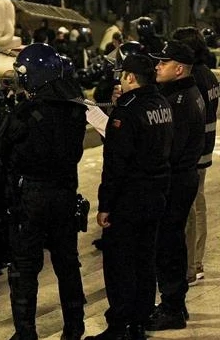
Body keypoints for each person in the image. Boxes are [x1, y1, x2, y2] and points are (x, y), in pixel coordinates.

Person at [0, 43, 87, 340]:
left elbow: (0, 147)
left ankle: (26, 332)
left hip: (32, 196)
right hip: (64, 192)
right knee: (67, 263)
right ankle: (74, 327)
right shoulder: (76, 108)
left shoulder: (26, 113)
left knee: (24, 268)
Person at [87, 53, 172, 340]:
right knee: (145, 260)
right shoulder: (161, 103)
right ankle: (139, 320)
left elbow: (115, 166)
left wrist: (106, 205)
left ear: (131, 77)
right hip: (157, 192)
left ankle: (120, 325)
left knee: (121, 263)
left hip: (130, 200)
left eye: (123, 74)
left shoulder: (127, 111)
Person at [146, 42, 204, 331]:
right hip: (183, 178)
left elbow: (171, 149)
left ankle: (172, 307)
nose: (157, 66)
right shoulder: (183, 94)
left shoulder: (181, 102)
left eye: (163, 62)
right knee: (172, 242)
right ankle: (174, 304)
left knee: (168, 245)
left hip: (177, 181)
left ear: (178, 69)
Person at [172, 28, 219, 287]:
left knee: (190, 209)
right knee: (198, 206)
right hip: (205, 148)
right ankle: (196, 261)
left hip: (195, 151)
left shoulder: (195, 79)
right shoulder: (209, 75)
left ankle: (190, 265)